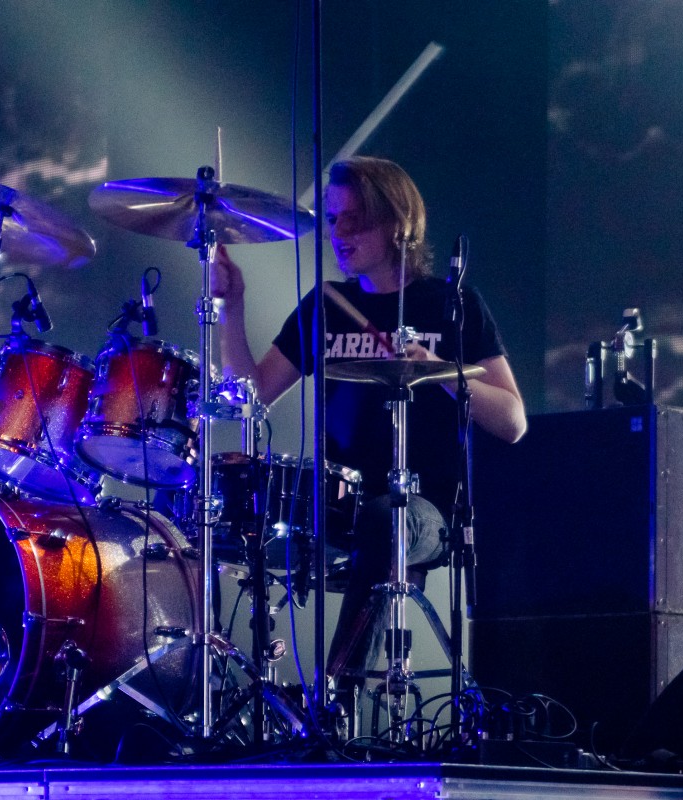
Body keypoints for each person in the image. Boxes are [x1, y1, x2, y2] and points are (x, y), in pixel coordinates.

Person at [211, 156, 526, 718]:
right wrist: (230, 307)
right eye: (334, 219)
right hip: (336, 505)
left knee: (387, 521)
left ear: (397, 223)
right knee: (223, 511)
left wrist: (441, 372)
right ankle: (233, 703)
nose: (340, 233)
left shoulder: (451, 305)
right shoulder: (326, 306)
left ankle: (334, 700)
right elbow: (251, 396)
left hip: (425, 511)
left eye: (355, 219)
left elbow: (513, 420)